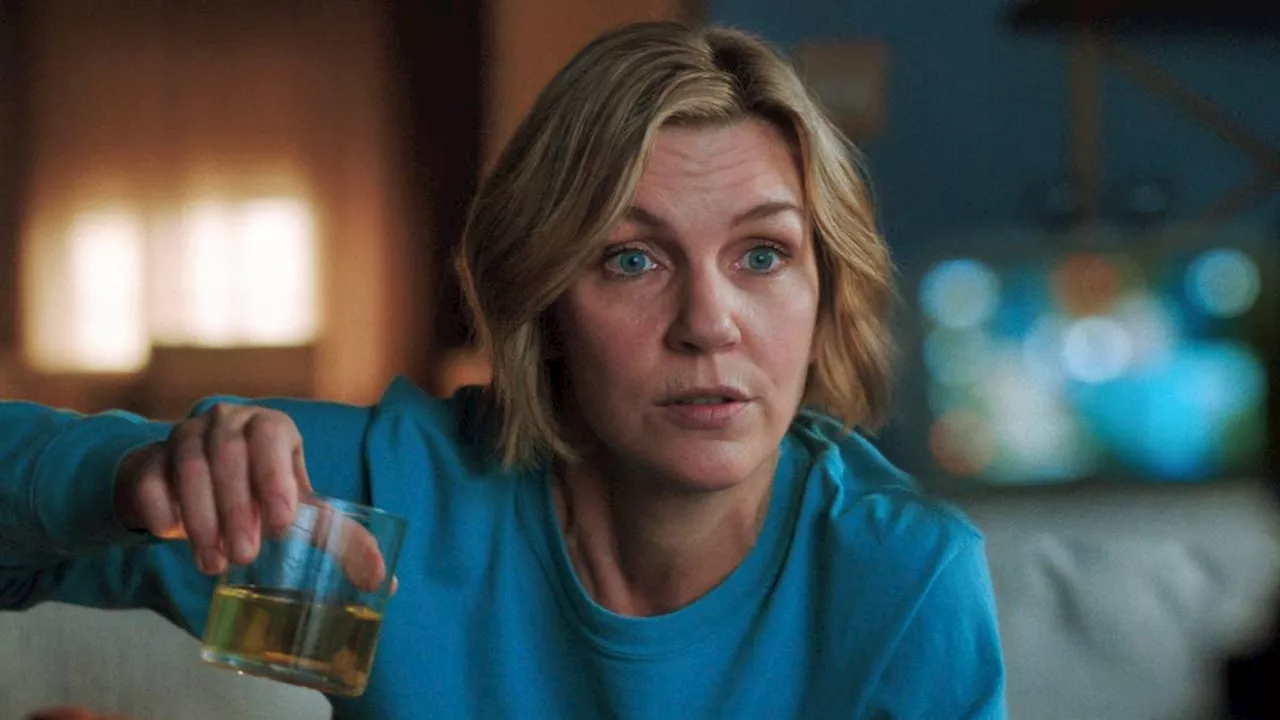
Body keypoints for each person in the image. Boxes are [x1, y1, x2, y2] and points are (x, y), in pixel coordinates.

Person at [1, 21, 1006, 719]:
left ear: (825, 289)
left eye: (762, 256)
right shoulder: (376, 504)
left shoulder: (903, 579)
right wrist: (131, 479)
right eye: (631, 259)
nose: (708, 325)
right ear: (545, 302)